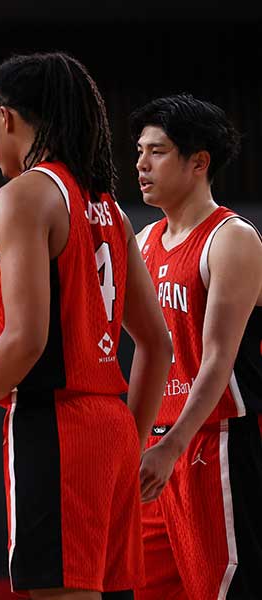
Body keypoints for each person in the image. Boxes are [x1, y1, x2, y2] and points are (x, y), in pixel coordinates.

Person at [0, 52, 173, 599]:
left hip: (55, 425)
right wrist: (129, 442)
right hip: (113, 424)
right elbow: (158, 344)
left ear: (6, 119)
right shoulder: (110, 209)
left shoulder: (24, 195)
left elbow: (26, 338)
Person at [131, 94, 262, 599]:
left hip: (215, 440)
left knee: (222, 589)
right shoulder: (142, 242)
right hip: (155, 447)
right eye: (139, 151)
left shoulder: (231, 239)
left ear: (199, 162)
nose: (141, 163)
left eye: (157, 151)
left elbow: (216, 362)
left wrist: (173, 445)